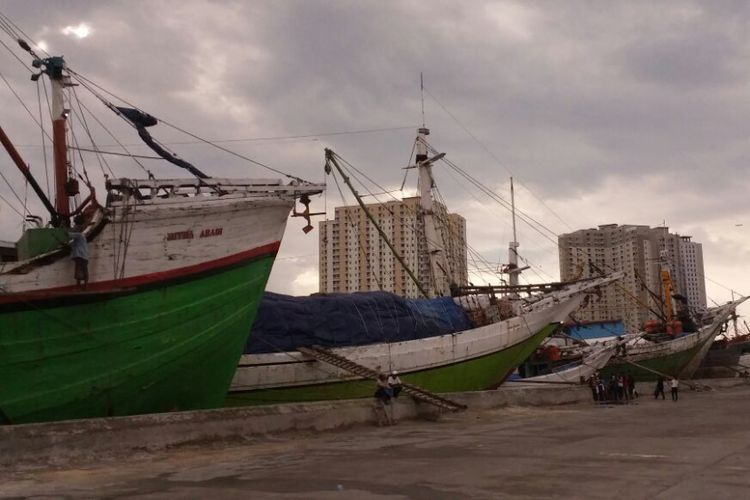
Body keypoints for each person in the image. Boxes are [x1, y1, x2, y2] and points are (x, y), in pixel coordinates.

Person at [69, 215, 89, 288]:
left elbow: (68, 235)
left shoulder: (78, 235)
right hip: (85, 256)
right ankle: (86, 286)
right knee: (85, 270)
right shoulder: (82, 236)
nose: (74, 227)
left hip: (79, 256)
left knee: (78, 271)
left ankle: (78, 287)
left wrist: (63, 228)